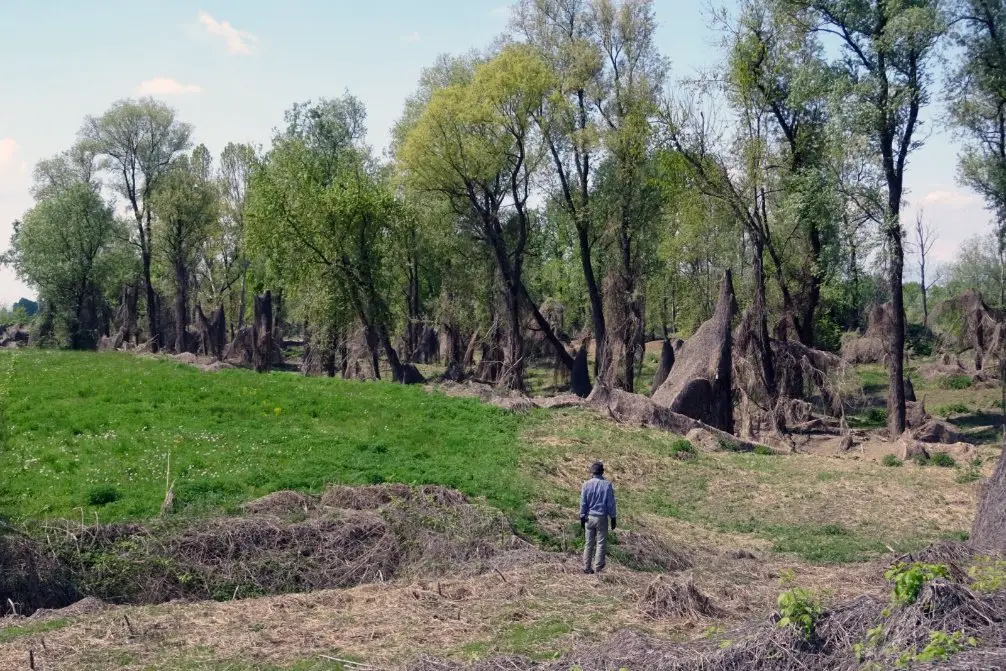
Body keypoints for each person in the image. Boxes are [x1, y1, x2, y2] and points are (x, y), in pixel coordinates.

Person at [579, 461, 616, 574]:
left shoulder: (586, 484)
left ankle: (586, 567)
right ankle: (598, 567)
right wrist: (613, 517)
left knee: (588, 543)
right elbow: (610, 503)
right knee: (600, 542)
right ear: (602, 472)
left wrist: (582, 516)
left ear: (592, 472)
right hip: (601, 517)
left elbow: (583, 503)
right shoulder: (607, 485)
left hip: (589, 517)